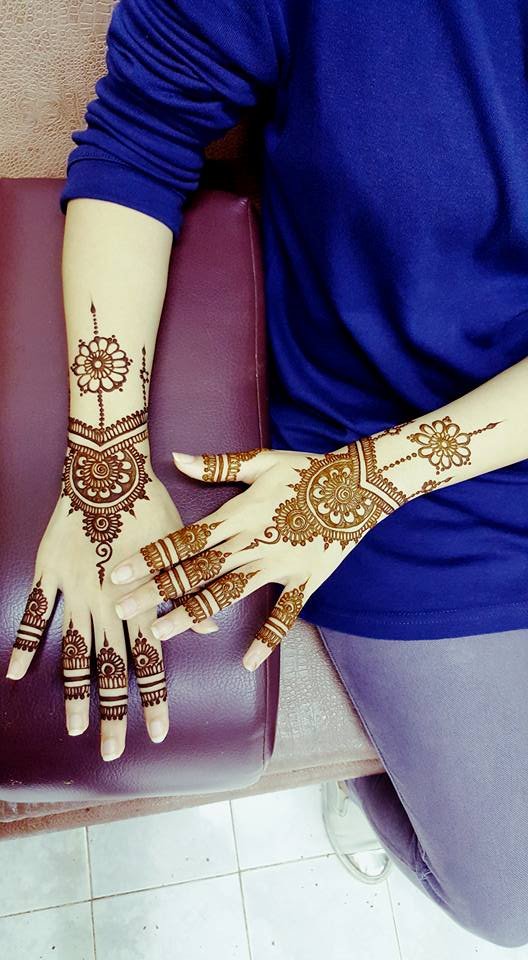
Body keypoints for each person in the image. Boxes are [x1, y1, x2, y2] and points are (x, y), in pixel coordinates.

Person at [5, 0, 528, 947]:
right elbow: (137, 143)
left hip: (434, 453)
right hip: (386, 447)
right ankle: (378, 776)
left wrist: (381, 475)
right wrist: (104, 463)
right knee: (513, 900)